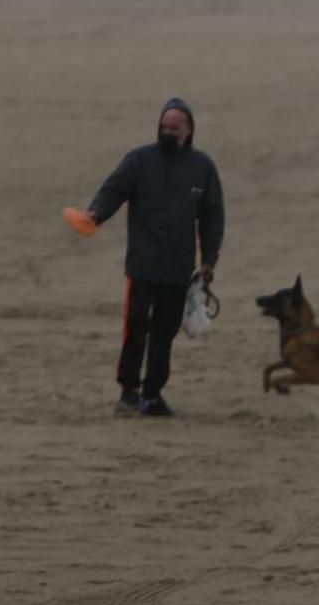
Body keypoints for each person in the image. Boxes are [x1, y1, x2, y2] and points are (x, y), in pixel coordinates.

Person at [82, 97, 225, 418]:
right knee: (135, 326)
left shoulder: (202, 167)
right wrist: (95, 214)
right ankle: (128, 391)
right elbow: (113, 190)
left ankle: (153, 394)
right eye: (163, 126)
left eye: (174, 128)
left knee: (165, 332)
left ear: (189, 130)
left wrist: (208, 262)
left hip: (178, 268)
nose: (168, 132)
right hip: (142, 264)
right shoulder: (139, 161)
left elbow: (213, 217)